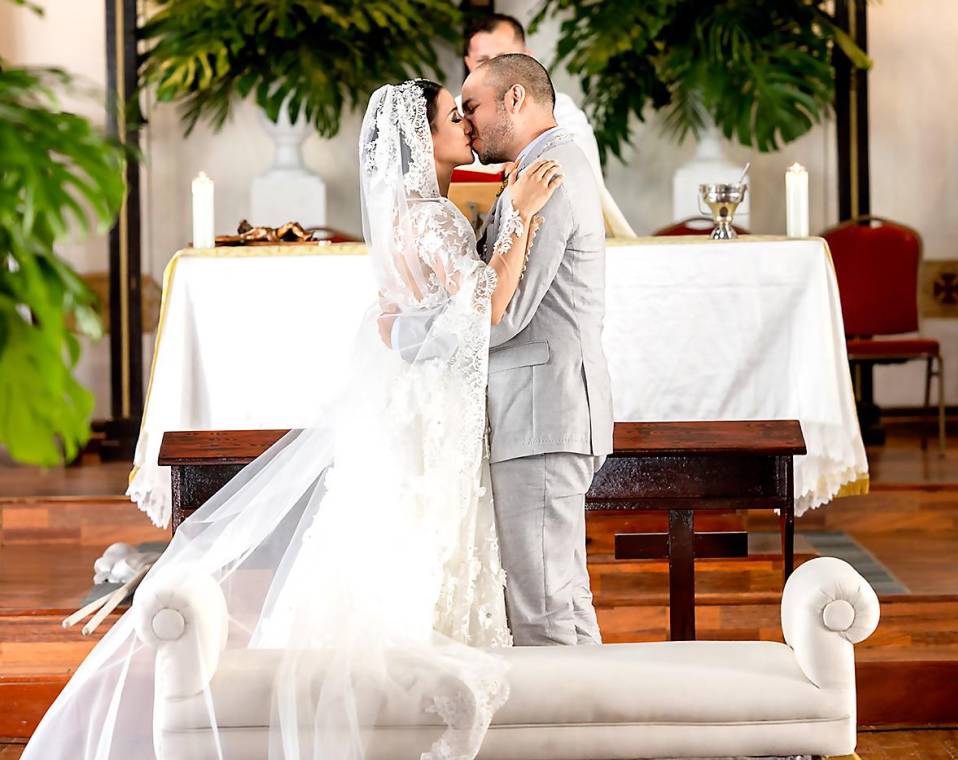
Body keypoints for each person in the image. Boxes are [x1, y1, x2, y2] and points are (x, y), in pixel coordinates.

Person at [21, 79, 565, 760]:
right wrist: (516, 217)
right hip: (432, 412)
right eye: (451, 118)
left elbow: (409, 314)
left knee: (400, 532)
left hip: (412, 400)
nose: (463, 126)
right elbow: (483, 308)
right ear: (422, 138)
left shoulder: (406, 212)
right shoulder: (433, 214)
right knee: (430, 532)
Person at [462, 54, 615, 646]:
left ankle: (565, 738)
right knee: (564, 601)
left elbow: (508, 314)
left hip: (541, 413)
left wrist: (434, 331)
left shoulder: (547, 172)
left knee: (541, 611)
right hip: (543, 411)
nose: (464, 120)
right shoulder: (543, 166)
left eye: (472, 106)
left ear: (516, 100)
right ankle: (597, 735)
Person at [457, 13, 637, 237]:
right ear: (468, 63)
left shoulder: (559, 109)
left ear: (527, 57)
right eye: (483, 61)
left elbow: (573, 161)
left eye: (504, 58)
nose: (495, 71)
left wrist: (523, 166)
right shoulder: (455, 114)